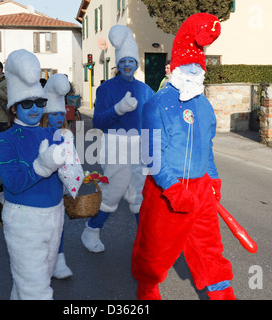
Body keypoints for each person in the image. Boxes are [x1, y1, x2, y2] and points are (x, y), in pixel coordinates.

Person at [131, 13, 236, 300]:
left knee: (210, 248)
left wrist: (213, 179)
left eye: (197, 68)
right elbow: (151, 154)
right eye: (187, 66)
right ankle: (148, 290)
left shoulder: (204, 106)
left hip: (200, 188)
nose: (192, 72)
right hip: (167, 190)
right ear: (174, 68)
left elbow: (207, 147)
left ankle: (222, 292)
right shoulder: (156, 104)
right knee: (156, 250)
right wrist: (172, 188)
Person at [0, 49, 67, 300]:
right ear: (14, 108)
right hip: (25, 221)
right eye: (26, 103)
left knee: (33, 282)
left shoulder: (53, 134)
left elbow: (65, 177)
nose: (34, 109)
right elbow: (12, 182)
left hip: (55, 217)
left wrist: (76, 172)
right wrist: (42, 166)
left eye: (39, 102)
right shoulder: (5, 139)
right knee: (35, 290)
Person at [81, 25, 154, 253]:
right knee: (112, 193)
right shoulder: (107, 89)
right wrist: (118, 110)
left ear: (136, 64)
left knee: (139, 195)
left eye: (131, 61)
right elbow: (99, 122)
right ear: (118, 64)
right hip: (115, 146)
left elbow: (153, 122)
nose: (127, 65)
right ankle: (91, 230)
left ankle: (144, 241)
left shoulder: (146, 90)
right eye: (123, 61)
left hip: (140, 146)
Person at [40, 73, 80, 279]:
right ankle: (41, 260)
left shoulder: (66, 135)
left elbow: (73, 162)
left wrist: (75, 177)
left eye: (60, 114)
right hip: (39, 187)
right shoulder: (38, 134)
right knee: (41, 227)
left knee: (58, 225)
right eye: (53, 114)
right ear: (45, 116)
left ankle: (59, 258)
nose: (58, 118)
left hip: (58, 188)